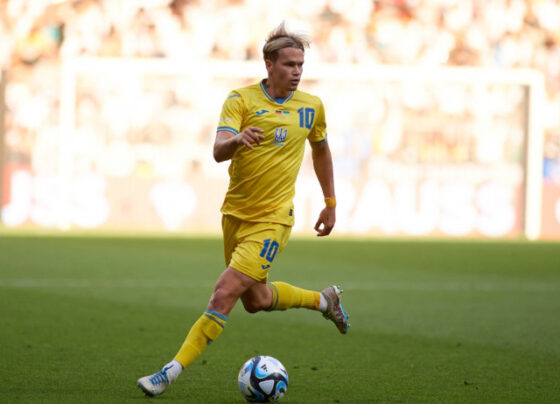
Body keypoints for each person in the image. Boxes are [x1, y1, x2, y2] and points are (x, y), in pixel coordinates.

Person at [137, 22, 350, 397]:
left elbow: (321, 150)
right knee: (256, 300)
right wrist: (237, 140)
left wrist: (330, 202)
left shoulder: (311, 107)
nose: (297, 72)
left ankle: (168, 373)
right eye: (289, 64)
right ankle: (324, 300)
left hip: (273, 220)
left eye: (300, 65)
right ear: (269, 64)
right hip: (235, 215)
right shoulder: (241, 100)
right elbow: (218, 151)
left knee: (223, 293)